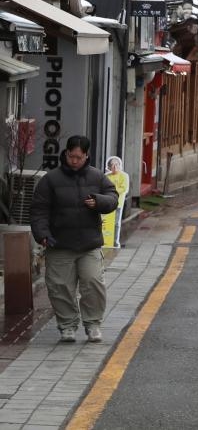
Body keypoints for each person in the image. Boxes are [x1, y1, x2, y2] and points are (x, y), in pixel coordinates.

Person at [29, 136, 118, 343]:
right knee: (60, 286)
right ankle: (67, 326)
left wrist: (98, 201)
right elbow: (39, 210)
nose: (74, 161)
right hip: (59, 243)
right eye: (71, 156)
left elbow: (112, 198)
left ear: (86, 155)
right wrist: (42, 235)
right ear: (66, 153)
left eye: (79, 157)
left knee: (93, 283)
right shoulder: (50, 179)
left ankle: (93, 324)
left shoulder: (97, 176)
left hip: (89, 244)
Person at [102, 156, 130, 248]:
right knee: (105, 222)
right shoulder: (106, 176)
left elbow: (124, 188)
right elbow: (103, 187)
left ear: (119, 165)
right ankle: (105, 240)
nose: (114, 167)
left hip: (118, 203)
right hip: (106, 203)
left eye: (116, 164)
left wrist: (111, 191)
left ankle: (115, 241)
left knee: (116, 223)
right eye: (112, 165)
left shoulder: (124, 176)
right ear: (109, 167)